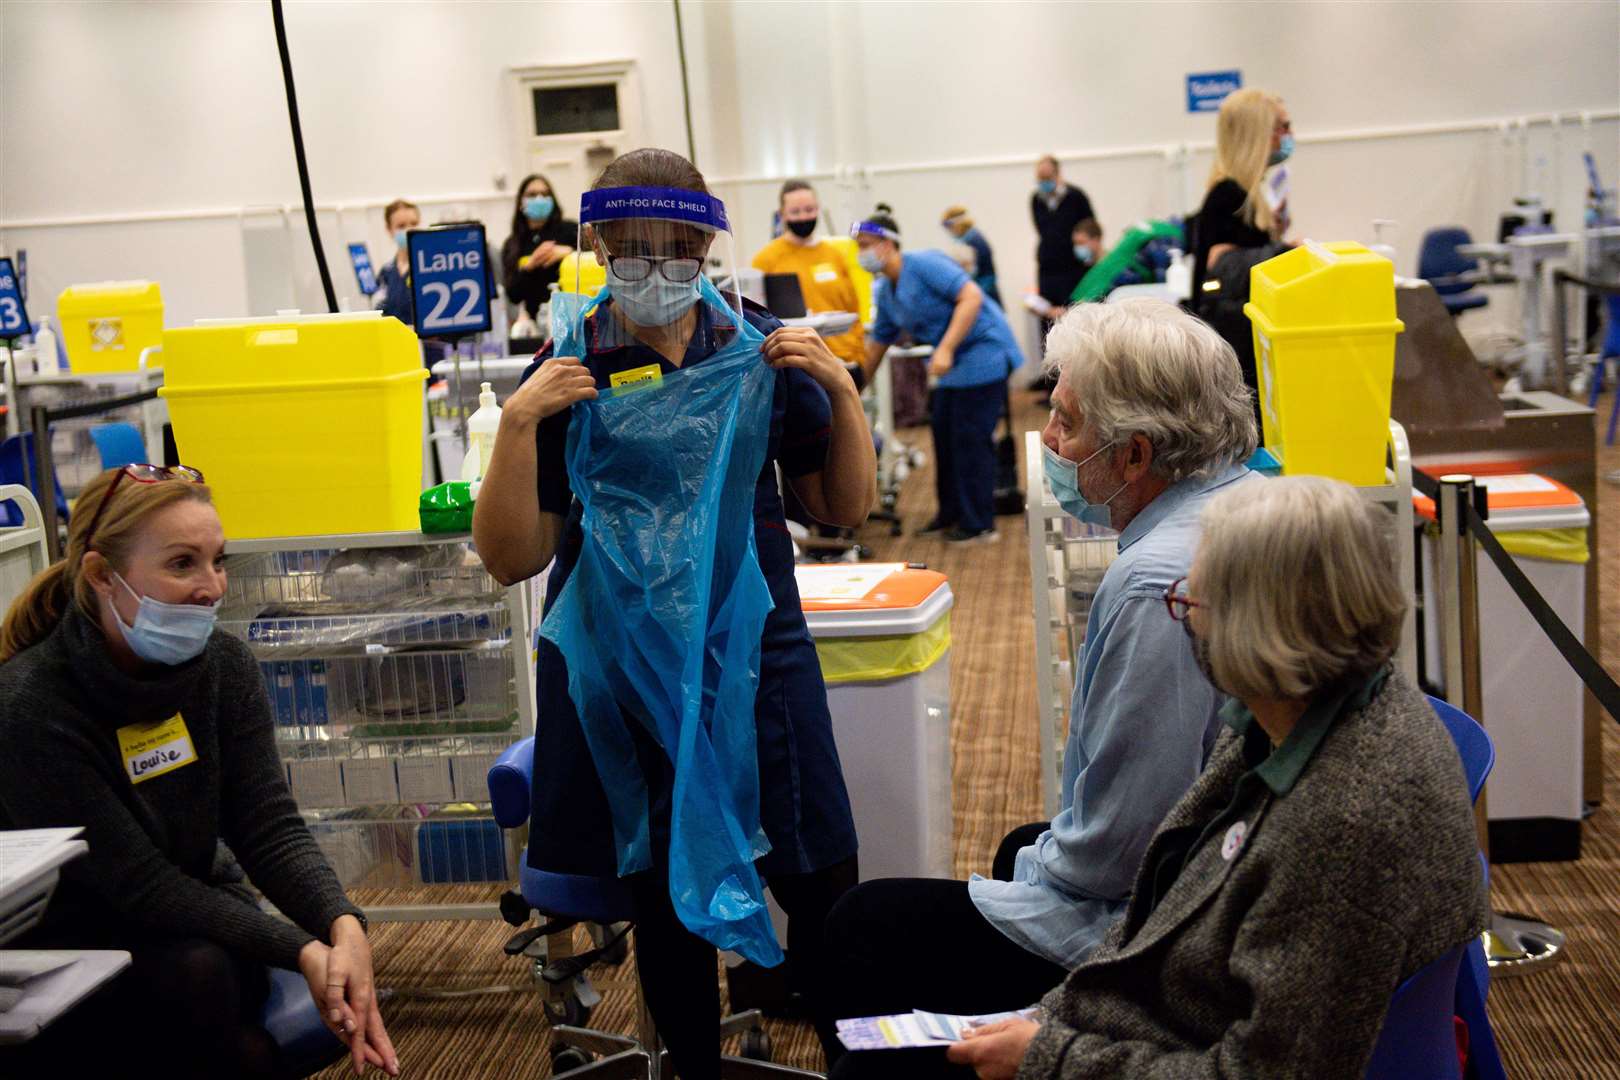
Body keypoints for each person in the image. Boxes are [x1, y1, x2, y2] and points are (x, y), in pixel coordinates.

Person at [472, 147, 873, 1078]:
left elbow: (840, 506)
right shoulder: (566, 369)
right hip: (623, 669)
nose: (656, 269)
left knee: (817, 869)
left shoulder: (760, 351)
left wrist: (843, 392)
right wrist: (517, 426)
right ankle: (694, 1067)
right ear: (600, 245)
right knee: (664, 891)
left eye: (677, 249)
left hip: (751, 651)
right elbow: (511, 559)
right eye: (633, 249)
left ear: (705, 245)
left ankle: (856, 1059)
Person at [823, 299, 1259, 1076]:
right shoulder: (1240, 504)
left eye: (1065, 422)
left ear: (1135, 454)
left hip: (1178, 921)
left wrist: (1034, 876)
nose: (1049, 442)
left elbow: (1123, 850)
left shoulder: (1154, 584)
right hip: (1226, 872)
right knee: (1021, 847)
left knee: (861, 927)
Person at [941, 477, 1486, 1078]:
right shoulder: (1296, 707)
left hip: (1189, 1029)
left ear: (1259, 630)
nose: (1187, 623)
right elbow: (1169, 894)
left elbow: (1261, 1073)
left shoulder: (1339, 824)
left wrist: (1048, 1058)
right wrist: (1051, 1019)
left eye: (1191, 605)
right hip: (1184, 1002)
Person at [0, 466, 397, 1080]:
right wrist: (299, 947)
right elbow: (134, 884)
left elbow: (266, 824)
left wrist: (342, 924)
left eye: (218, 560)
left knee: (218, 984)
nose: (212, 587)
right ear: (103, 575)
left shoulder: (223, 667)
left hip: (189, 917)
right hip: (64, 940)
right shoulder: (31, 704)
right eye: (182, 563)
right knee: (210, 994)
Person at [855, 208, 1023, 543]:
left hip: (983, 352)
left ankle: (979, 523)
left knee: (970, 439)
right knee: (943, 437)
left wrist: (945, 348)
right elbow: (878, 344)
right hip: (952, 365)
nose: (862, 252)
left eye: (866, 243)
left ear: (888, 244)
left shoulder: (924, 264)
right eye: (858, 245)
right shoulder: (888, 291)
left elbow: (971, 297)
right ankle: (951, 515)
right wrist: (850, 387)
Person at [1191, 88, 1295, 422]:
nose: (1289, 136)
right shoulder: (1229, 195)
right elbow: (1221, 267)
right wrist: (1285, 253)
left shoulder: (1246, 194)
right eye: (1282, 126)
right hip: (1236, 351)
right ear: (1258, 132)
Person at [752, 178, 868, 370]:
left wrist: (858, 355)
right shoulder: (766, 260)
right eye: (795, 212)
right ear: (782, 214)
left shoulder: (835, 255)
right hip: (798, 365)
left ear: (818, 208)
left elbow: (854, 308)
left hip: (845, 361)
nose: (804, 217)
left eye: (809, 210)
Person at [500, 172, 577, 320]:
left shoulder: (571, 230)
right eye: (532, 194)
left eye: (545, 193)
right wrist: (531, 265)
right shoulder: (513, 243)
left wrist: (570, 252)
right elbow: (513, 295)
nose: (539, 199)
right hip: (538, 321)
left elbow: (596, 259)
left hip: (574, 316)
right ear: (521, 203)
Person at [1030, 156, 1094, 321]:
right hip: (1048, 269)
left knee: (1074, 318)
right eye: (1040, 178)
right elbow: (1042, 230)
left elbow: (1090, 228)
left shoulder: (1076, 196)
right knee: (1048, 322)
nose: (1043, 182)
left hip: (1073, 268)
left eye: (1047, 178)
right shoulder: (1036, 199)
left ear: (1057, 174)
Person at [374, 197, 420, 327]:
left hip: (429, 345)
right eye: (401, 226)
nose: (409, 229)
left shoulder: (430, 268)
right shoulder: (386, 272)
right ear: (389, 229)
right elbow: (379, 310)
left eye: (414, 223)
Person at [942, 205, 1000, 306]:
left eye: (948, 225)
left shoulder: (974, 242)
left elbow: (971, 272)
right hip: (983, 292)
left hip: (985, 294)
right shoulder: (971, 240)